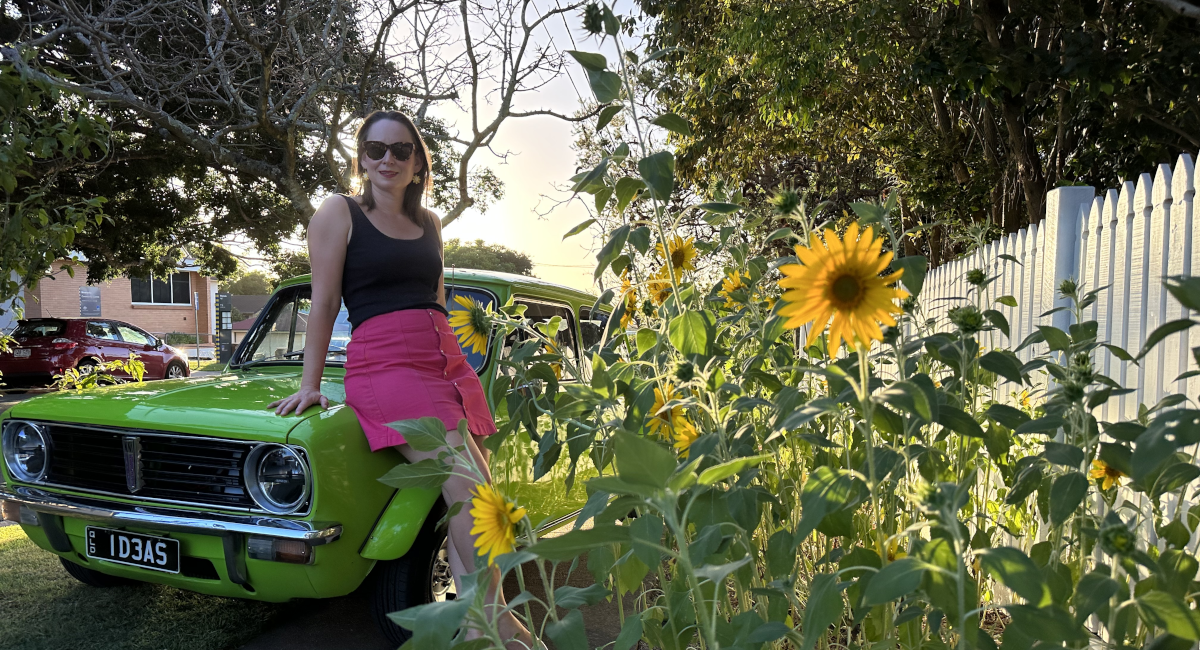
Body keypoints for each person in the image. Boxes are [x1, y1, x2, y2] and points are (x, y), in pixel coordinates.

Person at [268, 110, 531, 647]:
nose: (387, 159)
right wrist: (310, 382)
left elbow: (435, 301)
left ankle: (475, 618)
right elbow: (323, 304)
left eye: (400, 150)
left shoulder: (430, 223)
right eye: (374, 148)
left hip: (444, 364)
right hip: (386, 366)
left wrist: (453, 362)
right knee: (473, 493)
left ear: (418, 162)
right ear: (361, 157)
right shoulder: (339, 213)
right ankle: (496, 621)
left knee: (480, 493)